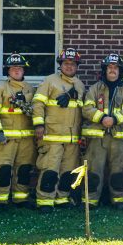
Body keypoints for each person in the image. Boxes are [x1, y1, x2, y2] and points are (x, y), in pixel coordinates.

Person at [31, 48, 85, 212]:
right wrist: (39, 125)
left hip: (72, 138)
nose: (69, 66)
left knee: (68, 171)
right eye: (66, 63)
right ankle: (45, 201)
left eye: (72, 64)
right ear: (60, 65)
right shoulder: (49, 81)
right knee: (50, 170)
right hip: (52, 135)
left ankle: (62, 198)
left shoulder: (80, 85)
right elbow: (38, 103)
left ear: (77, 66)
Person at [81, 53, 123, 209]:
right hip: (97, 137)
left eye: (116, 68)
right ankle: (90, 201)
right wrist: (102, 118)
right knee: (94, 170)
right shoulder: (94, 89)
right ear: (105, 70)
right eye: (110, 67)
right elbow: (87, 109)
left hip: (118, 138)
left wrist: (114, 120)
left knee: (117, 170)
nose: (112, 70)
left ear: (120, 71)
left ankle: (119, 200)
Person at [0, 52, 36, 208]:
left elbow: (36, 111)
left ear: (24, 71)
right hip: (5, 139)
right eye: (13, 68)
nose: (16, 70)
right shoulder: (0, 89)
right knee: (4, 170)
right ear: (8, 70)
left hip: (27, 139)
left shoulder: (30, 89)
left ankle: (20, 199)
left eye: (20, 68)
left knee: (24, 170)